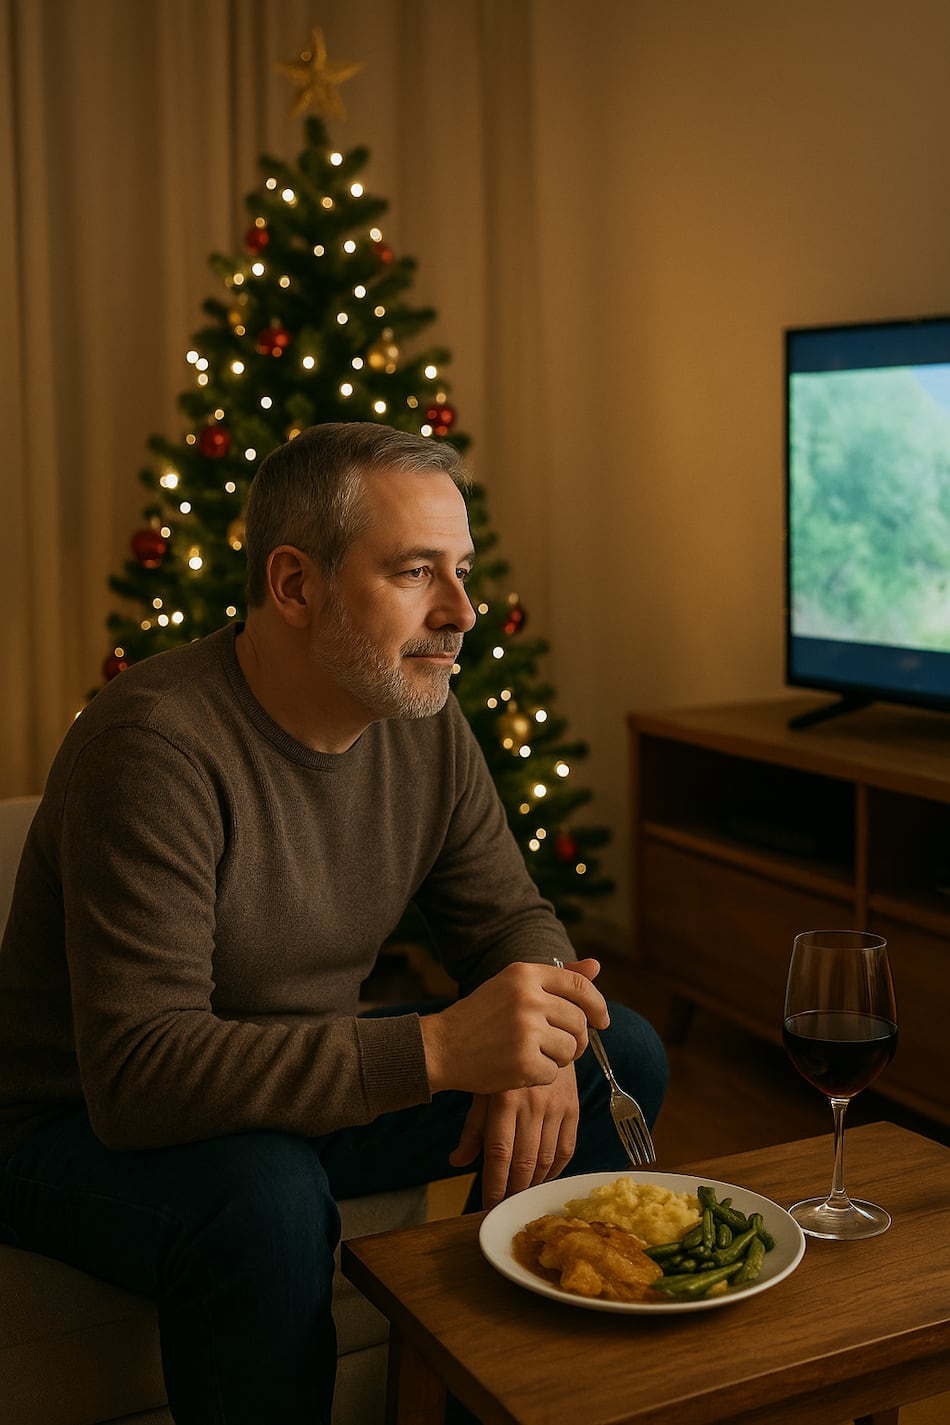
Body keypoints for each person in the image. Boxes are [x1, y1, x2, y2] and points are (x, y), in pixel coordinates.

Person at [0, 421, 667, 1424]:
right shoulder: (153, 748)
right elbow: (139, 1076)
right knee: (263, 1193)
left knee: (615, 1051)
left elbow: (509, 918)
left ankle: (494, 1404)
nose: (461, 612)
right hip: (72, 1128)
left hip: (279, 1089)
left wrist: (536, 1039)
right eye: (414, 573)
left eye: (462, 571)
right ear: (294, 587)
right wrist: (441, 1047)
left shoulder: (423, 721)